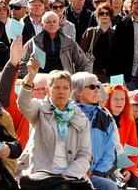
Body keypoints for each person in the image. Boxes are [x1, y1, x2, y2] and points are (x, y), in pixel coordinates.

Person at [17, 60, 92, 189]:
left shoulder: (80, 118)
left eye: (65, 88)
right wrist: (31, 77)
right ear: (48, 90)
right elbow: (24, 104)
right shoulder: (40, 109)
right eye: (56, 87)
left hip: (69, 175)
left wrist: (68, 176)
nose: (61, 91)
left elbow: (84, 155)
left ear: (70, 91)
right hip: (41, 172)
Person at [70, 72, 120, 190]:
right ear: (79, 91)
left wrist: (98, 173)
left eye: (98, 86)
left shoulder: (105, 117)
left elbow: (110, 152)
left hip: (98, 173)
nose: (97, 90)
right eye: (92, 87)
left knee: (110, 186)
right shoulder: (68, 113)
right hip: (73, 172)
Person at [79, 2, 117, 83]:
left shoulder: (116, 34)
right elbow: (81, 53)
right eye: (101, 13)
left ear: (111, 16)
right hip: (93, 72)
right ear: (97, 16)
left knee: (115, 93)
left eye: (107, 13)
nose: (104, 15)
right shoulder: (90, 32)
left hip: (113, 73)